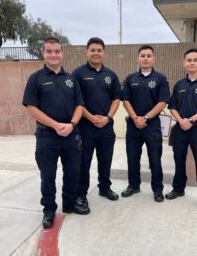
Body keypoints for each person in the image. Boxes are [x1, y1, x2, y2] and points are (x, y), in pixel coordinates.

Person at [22, 37, 88, 230]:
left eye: (57, 51)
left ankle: (69, 203)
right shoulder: (36, 78)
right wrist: (55, 125)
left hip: (70, 134)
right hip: (47, 136)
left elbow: (80, 105)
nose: (53, 55)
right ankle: (49, 210)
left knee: (73, 172)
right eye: (49, 51)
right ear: (43, 52)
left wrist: (72, 124)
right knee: (48, 175)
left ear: (62, 53)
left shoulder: (71, 79)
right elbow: (31, 107)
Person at [165, 48, 197, 212]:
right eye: (189, 60)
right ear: (184, 63)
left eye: (195, 60)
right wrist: (181, 121)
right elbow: (172, 106)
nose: (192, 63)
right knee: (178, 160)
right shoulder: (179, 84)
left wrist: (191, 120)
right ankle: (178, 189)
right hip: (181, 128)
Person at [72, 37, 121, 212]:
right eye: (92, 50)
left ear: (103, 52)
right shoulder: (78, 74)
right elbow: (76, 101)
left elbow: (116, 99)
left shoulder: (111, 75)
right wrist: (92, 118)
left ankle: (104, 188)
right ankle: (81, 194)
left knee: (105, 160)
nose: (96, 53)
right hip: (85, 127)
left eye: (99, 50)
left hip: (106, 127)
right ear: (87, 52)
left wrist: (107, 117)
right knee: (83, 162)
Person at [121, 45, 170, 202]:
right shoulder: (130, 78)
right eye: (142, 55)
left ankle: (157, 189)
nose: (146, 58)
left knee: (155, 158)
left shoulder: (161, 79)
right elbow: (125, 100)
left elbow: (162, 102)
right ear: (138, 58)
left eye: (149, 56)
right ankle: (133, 185)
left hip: (153, 126)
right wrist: (136, 118)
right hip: (133, 125)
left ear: (153, 58)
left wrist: (146, 118)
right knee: (132, 158)